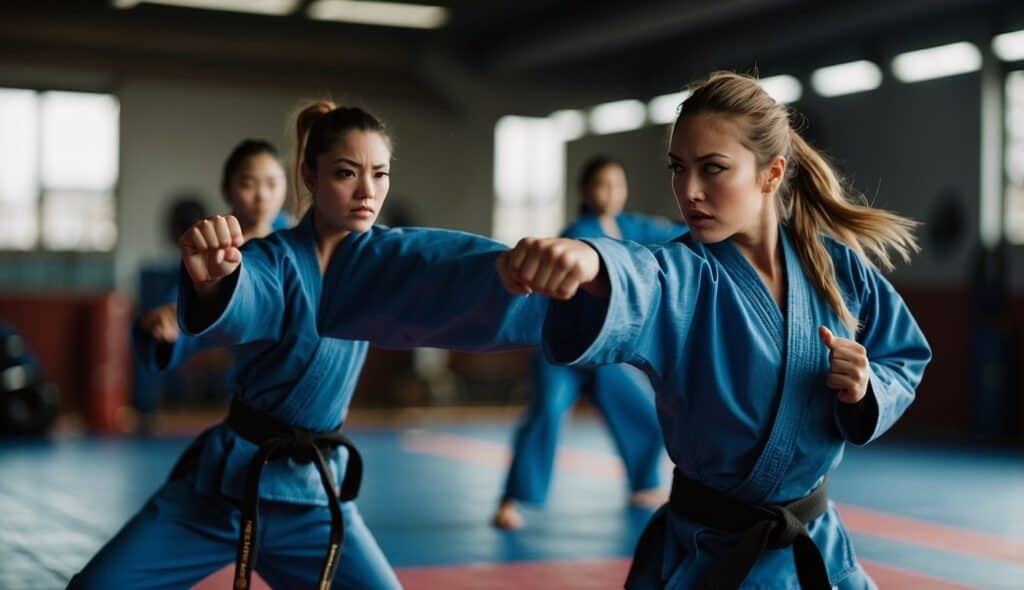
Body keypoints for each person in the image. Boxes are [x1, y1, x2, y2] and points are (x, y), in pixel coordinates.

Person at [70, 102, 545, 590]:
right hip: (228, 488)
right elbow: (247, 291)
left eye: (380, 175)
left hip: (315, 502)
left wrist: (510, 269)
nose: (367, 191)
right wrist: (215, 285)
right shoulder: (270, 258)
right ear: (309, 176)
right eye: (346, 173)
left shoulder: (383, 260)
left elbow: (443, 264)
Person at [495, 71, 931, 589]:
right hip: (710, 557)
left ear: (772, 174)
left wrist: (865, 387)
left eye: (713, 168)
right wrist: (591, 259)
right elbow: (641, 274)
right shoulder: (685, 272)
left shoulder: (838, 268)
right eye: (679, 169)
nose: (689, 190)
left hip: (817, 550)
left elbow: (903, 357)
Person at [493, 155, 684, 529]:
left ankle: (644, 483)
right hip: (562, 350)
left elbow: (674, 233)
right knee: (546, 412)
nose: (611, 193)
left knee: (642, 410)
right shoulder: (576, 230)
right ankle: (512, 499)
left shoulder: (631, 225)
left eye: (618, 185)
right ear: (585, 190)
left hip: (602, 350)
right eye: (602, 184)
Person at [134, 139, 292, 370]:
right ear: (226, 190)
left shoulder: (297, 236)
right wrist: (169, 318)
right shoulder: (215, 248)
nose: (262, 196)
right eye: (248, 184)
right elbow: (188, 301)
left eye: (272, 184)